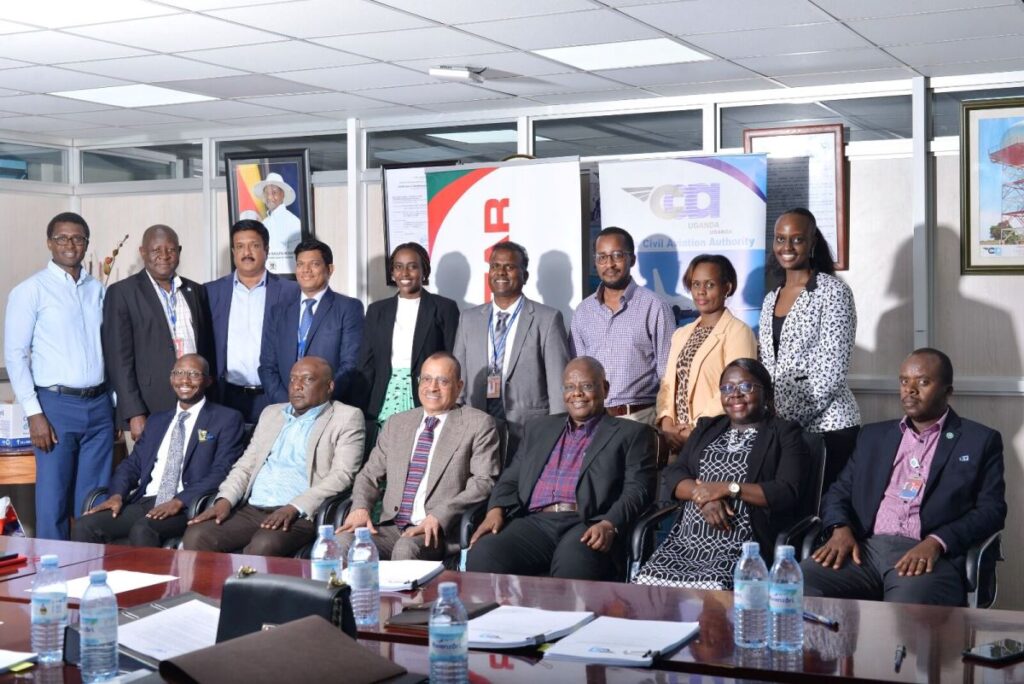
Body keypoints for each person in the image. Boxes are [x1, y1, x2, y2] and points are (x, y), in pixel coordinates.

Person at [802, 349, 1006, 606]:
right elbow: (838, 491)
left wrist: (937, 542)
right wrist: (839, 529)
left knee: (904, 619)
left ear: (947, 391)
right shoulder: (873, 437)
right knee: (795, 585)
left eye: (922, 382)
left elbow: (992, 511)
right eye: (903, 381)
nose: (910, 389)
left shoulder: (979, 441)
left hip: (928, 554)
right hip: (864, 549)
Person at [466, 357, 655, 581]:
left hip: (588, 523)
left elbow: (638, 490)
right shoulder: (539, 428)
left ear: (604, 388)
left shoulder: (632, 433)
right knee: (484, 554)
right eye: (569, 387)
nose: (577, 393)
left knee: (574, 563)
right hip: (536, 522)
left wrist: (609, 524)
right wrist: (495, 510)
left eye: (586, 386)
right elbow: (511, 478)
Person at [635, 358, 807, 588]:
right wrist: (703, 496)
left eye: (746, 387)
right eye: (727, 388)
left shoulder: (785, 433)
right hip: (684, 544)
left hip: (742, 547)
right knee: (647, 588)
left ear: (766, 393)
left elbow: (786, 492)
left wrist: (727, 488)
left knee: (712, 594)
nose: (734, 394)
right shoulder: (708, 428)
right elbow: (674, 472)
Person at [183, 356, 364, 556]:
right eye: (293, 379)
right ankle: (209, 588)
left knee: (264, 545)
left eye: (307, 379)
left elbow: (342, 475)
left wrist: (294, 507)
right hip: (252, 509)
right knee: (197, 535)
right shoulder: (272, 413)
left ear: (329, 386)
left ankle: (241, 587)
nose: (297, 386)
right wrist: (224, 499)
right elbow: (246, 465)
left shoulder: (347, 417)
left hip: (298, 514)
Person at [3, 212, 113, 540]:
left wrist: (115, 404)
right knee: (53, 502)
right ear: (49, 242)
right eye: (62, 238)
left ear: (86, 244)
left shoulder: (98, 289)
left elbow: (108, 347)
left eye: (77, 238)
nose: (70, 244)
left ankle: (92, 574)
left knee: (95, 503)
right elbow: (15, 355)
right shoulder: (30, 290)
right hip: (55, 407)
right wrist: (35, 413)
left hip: (100, 406)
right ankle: (55, 582)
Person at [337, 352, 500, 561]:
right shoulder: (397, 423)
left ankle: (396, 596)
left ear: (459, 386)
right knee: (342, 542)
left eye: (443, 381)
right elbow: (369, 475)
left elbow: (483, 483)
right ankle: (346, 595)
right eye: (426, 379)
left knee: (406, 548)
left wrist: (440, 515)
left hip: (437, 531)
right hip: (392, 528)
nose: (432, 387)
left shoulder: (478, 425)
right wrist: (360, 507)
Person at [72, 354, 244, 547]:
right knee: (85, 525)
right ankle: (96, 578)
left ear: (208, 380)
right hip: (146, 500)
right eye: (179, 373)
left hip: (186, 505)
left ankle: (154, 579)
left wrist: (179, 501)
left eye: (194, 374)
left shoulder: (226, 419)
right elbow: (133, 463)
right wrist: (116, 495)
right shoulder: (157, 420)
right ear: (171, 379)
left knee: (143, 529)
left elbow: (222, 471)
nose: (185, 380)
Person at [758, 208, 859, 493]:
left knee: (824, 515)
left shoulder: (833, 292)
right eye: (780, 239)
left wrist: (788, 420)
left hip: (828, 427)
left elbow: (832, 370)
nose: (786, 247)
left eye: (797, 239)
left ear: (813, 241)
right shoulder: (770, 299)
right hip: (785, 428)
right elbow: (768, 364)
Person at [453, 241, 569, 454]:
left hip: (529, 429)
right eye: (495, 266)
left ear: (525, 275)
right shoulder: (468, 319)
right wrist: (456, 422)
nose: (500, 272)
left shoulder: (548, 319)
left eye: (509, 266)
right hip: (477, 426)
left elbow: (558, 383)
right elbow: (457, 379)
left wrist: (555, 432)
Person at [102, 224, 214, 442]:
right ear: (142, 252)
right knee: (147, 474)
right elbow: (118, 361)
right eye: (156, 250)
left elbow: (206, 350)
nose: (164, 256)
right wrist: (134, 413)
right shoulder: (122, 293)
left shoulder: (195, 291)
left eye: (171, 250)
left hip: (195, 405)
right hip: (148, 410)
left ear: (179, 251)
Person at [570, 227, 675, 425]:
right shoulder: (583, 312)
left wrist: (666, 420)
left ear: (632, 260)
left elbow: (668, 374)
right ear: (595, 262)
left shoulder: (654, 307)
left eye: (617, 255)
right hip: (595, 421)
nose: (609, 264)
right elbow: (579, 373)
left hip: (640, 418)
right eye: (602, 257)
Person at [656, 255, 757, 454]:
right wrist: (667, 423)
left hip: (717, 438)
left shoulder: (738, 332)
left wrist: (695, 429)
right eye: (696, 284)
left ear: (727, 288)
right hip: (675, 441)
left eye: (710, 285)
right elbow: (667, 383)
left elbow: (735, 391)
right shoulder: (681, 334)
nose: (701, 291)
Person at [354, 243, 459, 427]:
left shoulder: (444, 308)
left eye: (412, 266)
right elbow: (366, 363)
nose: (405, 273)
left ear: (424, 271)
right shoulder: (377, 310)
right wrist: (360, 406)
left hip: (427, 395)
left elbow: (453, 359)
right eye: (398, 267)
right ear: (392, 273)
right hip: (383, 397)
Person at [205, 219, 299, 425]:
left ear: (266, 249)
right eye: (240, 246)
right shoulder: (211, 292)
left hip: (274, 395)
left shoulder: (290, 292)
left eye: (254, 245)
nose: (246, 252)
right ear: (233, 252)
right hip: (225, 395)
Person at [259, 238, 364, 405]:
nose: (306, 270)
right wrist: (287, 404)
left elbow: (350, 365)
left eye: (314, 264)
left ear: (329, 269)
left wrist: (318, 401)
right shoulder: (278, 311)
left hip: (328, 407)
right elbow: (267, 366)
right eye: (300, 264)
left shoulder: (348, 308)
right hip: (284, 408)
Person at [253, 172, 301, 273]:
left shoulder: (294, 222)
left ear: (282, 194)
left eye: (274, 192)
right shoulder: (263, 224)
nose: (270, 197)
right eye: (267, 193)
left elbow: (297, 258)